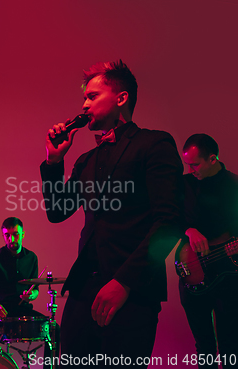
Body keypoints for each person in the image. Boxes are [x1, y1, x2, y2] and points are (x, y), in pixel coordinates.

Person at [40, 60, 182, 366]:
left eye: (92, 96)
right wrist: (53, 163)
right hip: (82, 292)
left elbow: (169, 223)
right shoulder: (86, 159)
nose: (84, 104)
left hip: (132, 290)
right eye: (84, 98)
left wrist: (124, 282)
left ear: (121, 98)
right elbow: (57, 211)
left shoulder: (154, 144)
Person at [178, 134, 238, 369]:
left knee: (230, 346)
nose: (191, 169)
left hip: (228, 276)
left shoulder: (234, 186)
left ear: (212, 159)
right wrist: (189, 229)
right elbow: (167, 218)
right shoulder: (183, 185)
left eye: (195, 164)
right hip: (191, 272)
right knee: (203, 348)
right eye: (187, 165)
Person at [0, 216, 41, 346]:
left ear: (23, 234)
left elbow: (35, 290)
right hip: (0, 310)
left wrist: (32, 295)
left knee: (53, 329)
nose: (11, 239)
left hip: (22, 309)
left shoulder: (32, 258)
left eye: (15, 235)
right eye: (7, 235)